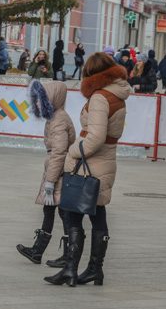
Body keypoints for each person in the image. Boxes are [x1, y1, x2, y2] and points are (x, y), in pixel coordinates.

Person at [46, 53, 129, 287]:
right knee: (97, 214)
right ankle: (94, 270)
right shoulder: (117, 94)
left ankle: (70, 269)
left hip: (90, 164)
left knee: (72, 213)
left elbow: (96, 137)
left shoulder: (100, 97)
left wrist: (73, 151)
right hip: (105, 162)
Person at [16, 80, 75, 265]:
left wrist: (50, 182)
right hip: (56, 171)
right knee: (49, 209)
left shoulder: (59, 120)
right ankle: (38, 251)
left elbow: (59, 153)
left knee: (64, 213)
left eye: (41, 99)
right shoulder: (55, 117)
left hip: (60, 173)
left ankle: (68, 255)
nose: (37, 103)